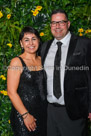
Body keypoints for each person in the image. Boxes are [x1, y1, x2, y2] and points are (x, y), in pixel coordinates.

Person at [40, 9, 91, 136]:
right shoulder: (44, 47)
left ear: (68, 24)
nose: (57, 26)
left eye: (61, 22)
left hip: (75, 111)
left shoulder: (84, 44)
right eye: (54, 23)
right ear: (50, 25)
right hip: (50, 111)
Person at [7, 26, 47, 136]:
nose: (31, 43)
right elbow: (11, 92)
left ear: (39, 40)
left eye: (34, 39)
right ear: (21, 43)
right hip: (24, 115)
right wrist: (25, 115)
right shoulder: (16, 62)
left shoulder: (43, 59)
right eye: (26, 40)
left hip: (43, 113)